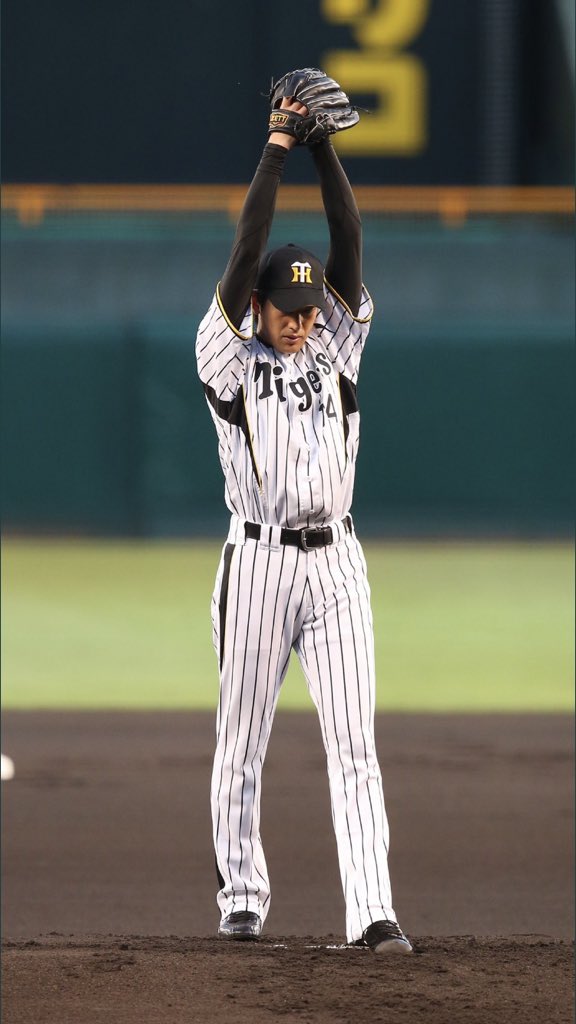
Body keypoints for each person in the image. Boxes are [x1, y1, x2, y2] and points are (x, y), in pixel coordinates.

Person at [195, 85, 412, 955]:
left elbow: (348, 238)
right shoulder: (226, 357)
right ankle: (242, 898)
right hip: (257, 564)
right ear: (256, 305)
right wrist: (278, 148)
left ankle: (373, 911)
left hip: (336, 566)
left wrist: (324, 145)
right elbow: (246, 247)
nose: (299, 323)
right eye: (286, 310)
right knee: (241, 742)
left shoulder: (333, 347)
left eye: (308, 310)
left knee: (353, 743)